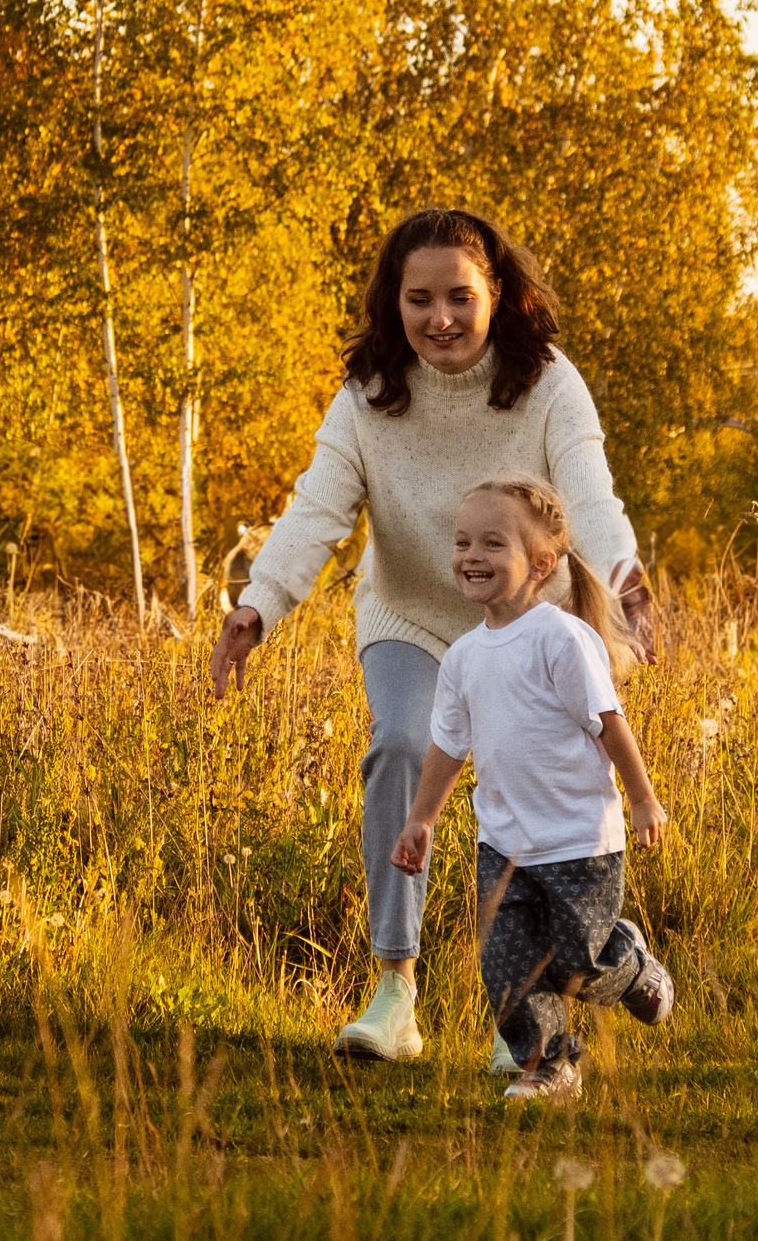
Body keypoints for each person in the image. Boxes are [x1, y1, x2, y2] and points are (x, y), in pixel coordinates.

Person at [208, 207, 654, 1064]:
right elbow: (317, 509)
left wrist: (624, 576)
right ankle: (395, 992)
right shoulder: (368, 397)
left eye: (460, 297)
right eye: (420, 300)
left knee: (535, 790)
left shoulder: (548, 383)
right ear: (394, 302)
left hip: (532, 622)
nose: (440, 318)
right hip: (410, 613)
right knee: (403, 747)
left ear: (498, 295)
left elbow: (590, 494)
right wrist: (258, 605)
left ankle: (530, 1012)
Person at [391, 476, 675, 1101]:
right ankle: (551, 1066)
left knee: (577, 962)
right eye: (462, 541)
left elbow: (609, 723)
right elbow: (448, 746)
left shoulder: (561, 639)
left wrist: (642, 798)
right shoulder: (463, 657)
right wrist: (421, 819)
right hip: (502, 845)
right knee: (508, 967)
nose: (472, 555)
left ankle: (629, 963)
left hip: (579, 841)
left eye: (493, 543)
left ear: (542, 564)